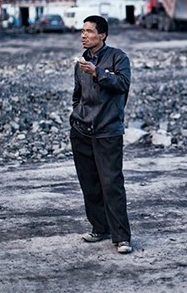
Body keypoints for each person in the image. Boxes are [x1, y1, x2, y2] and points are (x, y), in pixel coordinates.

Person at [69, 15, 133, 254]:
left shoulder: (118, 57)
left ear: (102, 35)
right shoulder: (81, 63)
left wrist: (98, 73)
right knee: (90, 183)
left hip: (108, 131)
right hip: (82, 131)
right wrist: (77, 115)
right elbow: (78, 95)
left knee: (112, 184)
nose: (83, 35)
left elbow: (123, 84)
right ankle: (100, 228)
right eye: (82, 31)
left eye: (89, 31)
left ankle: (122, 237)